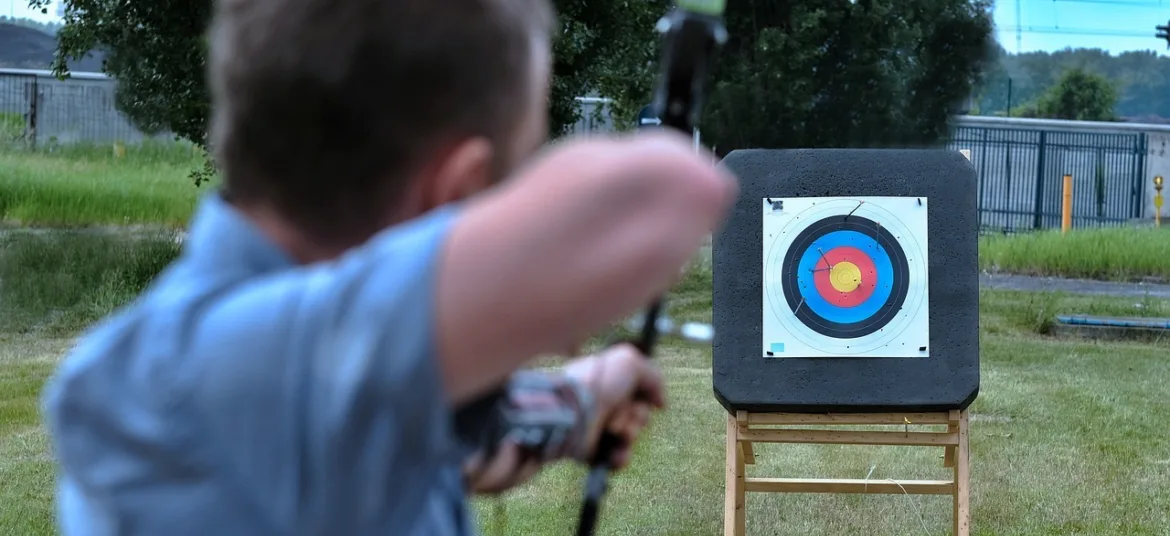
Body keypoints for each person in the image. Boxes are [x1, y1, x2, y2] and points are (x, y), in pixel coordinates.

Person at [41, 0, 737, 534]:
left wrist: (579, 401)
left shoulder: (340, 382)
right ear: (458, 189)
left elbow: (441, 432)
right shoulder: (177, 385)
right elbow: (670, 194)